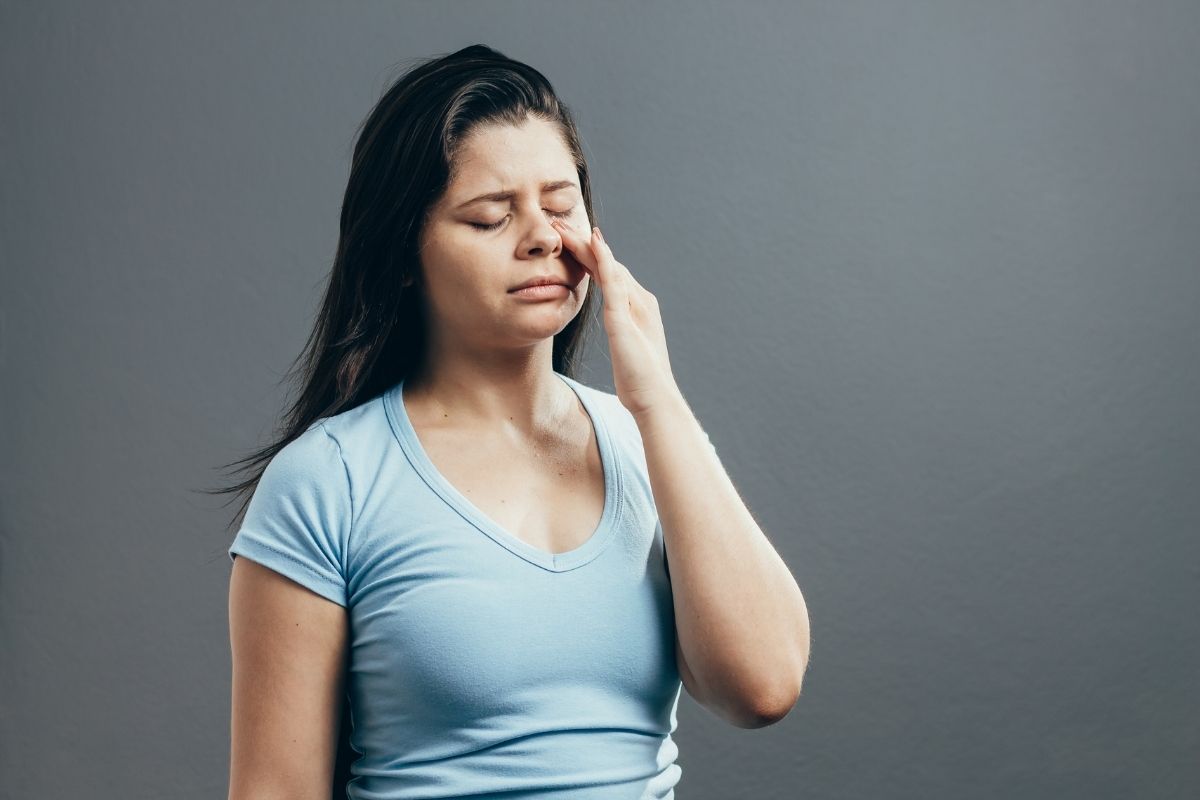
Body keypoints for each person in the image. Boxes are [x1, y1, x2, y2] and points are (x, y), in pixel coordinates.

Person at [217, 43, 809, 800]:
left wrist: (656, 399)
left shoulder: (649, 441)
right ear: (402, 251)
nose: (542, 237)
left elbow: (763, 686)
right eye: (491, 216)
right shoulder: (325, 482)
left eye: (561, 206)